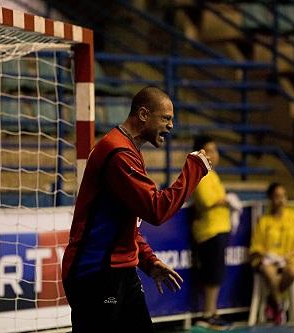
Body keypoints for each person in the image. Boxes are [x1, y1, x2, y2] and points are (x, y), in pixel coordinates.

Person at [61, 86, 214, 333]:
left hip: (122, 273)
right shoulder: (118, 153)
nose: (171, 126)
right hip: (96, 275)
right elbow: (157, 209)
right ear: (143, 114)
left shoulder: (128, 150)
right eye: (166, 118)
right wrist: (194, 168)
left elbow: (125, 223)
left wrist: (148, 260)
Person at [249, 183, 294, 325]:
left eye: (283, 196)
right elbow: (256, 246)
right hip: (268, 262)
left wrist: (287, 256)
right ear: (270, 199)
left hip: (288, 260)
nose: (281, 200)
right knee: (269, 272)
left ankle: (272, 300)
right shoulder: (264, 221)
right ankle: (280, 305)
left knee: (292, 272)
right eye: (277, 197)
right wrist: (268, 255)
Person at [190, 135, 233, 330]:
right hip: (209, 232)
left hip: (219, 229)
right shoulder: (201, 174)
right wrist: (226, 201)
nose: (215, 155)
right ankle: (208, 314)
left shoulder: (213, 175)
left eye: (216, 151)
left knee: (216, 274)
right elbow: (207, 201)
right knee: (212, 274)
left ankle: (212, 312)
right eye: (210, 151)